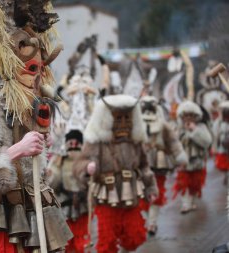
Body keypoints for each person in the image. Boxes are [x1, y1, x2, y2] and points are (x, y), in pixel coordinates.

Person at [0, 0, 73, 252]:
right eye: (30, 69)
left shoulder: (29, 109)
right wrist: (17, 150)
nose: (36, 77)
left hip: (37, 212)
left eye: (39, 69)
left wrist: (40, 147)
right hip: (5, 220)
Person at [73, 94, 158, 253]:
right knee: (108, 240)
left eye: (127, 118)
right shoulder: (96, 141)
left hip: (131, 194)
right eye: (119, 119)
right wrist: (87, 167)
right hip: (106, 196)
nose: (124, 124)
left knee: (135, 236)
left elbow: (144, 166)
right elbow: (79, 164)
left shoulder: (135, 141)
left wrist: (151, 188)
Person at [140, 96, 187, 235]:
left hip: (159, 162)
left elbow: (173, 142)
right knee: (141, 193)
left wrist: (180, 156)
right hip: (140, 163)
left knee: (156, 191)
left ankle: (152, 223)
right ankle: (148, 220)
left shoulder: (163, 124)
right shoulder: (136, 124)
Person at [48, 130, 90, 252]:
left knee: (82, 241)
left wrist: (89, 175)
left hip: (82, 208)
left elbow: (91, 183)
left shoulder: (86, 162)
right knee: (66, 242)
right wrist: (51, 174)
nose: (73, 146)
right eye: (70, 143)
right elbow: (52, 183)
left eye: (76, 143)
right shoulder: (59, 160)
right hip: (64, 208)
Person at [173, 101, 212, 213]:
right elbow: (174, 143)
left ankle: (192, 201)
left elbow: (207, 142)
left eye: (191, 115)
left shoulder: (201, 127)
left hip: (197, 161)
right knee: (183, 183)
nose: (188, 118)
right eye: (186, 115)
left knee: (195, 183)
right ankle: (186, 204)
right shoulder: (179, 128)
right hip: (183, 162)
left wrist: (194, 131)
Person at [213, 101, 229, 184]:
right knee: (224, 166)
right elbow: (215, 135)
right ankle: (226, 175)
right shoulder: (219, 122)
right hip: (223, 147)